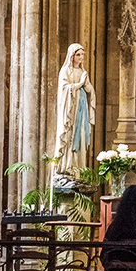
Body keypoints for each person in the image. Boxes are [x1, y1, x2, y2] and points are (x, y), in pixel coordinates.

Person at [54, 43, 95, 175]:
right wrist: (79, 84)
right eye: (78, 54)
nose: (81, 57)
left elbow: (89, 90)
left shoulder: (83, 71)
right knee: (71, 134)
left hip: (81, 106)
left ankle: (79, 167)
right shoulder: (65, 71)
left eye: (83, 54)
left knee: (81, 133)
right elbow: (64, 89)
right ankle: (68, 166)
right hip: (71, 108)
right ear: (72, 56)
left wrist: (86, 85)